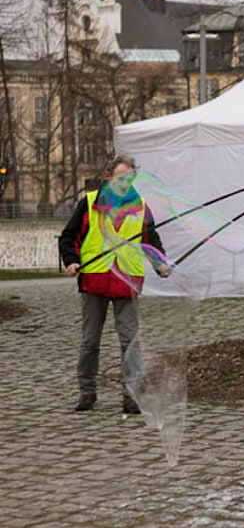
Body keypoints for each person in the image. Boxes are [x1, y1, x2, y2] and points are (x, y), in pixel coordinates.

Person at [59, 155, 170, 414]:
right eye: (120, 178)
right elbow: (69, 236)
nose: (124, 183)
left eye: (129, 178)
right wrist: (71, 261)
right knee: (89, 341)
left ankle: (131, 395)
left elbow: (150, 239)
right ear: (108, 176)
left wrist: (160, 263)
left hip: (127, 281)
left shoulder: (141, 206)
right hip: (94, 279)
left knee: (130, 341)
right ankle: (87, 392)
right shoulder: (88, 203)